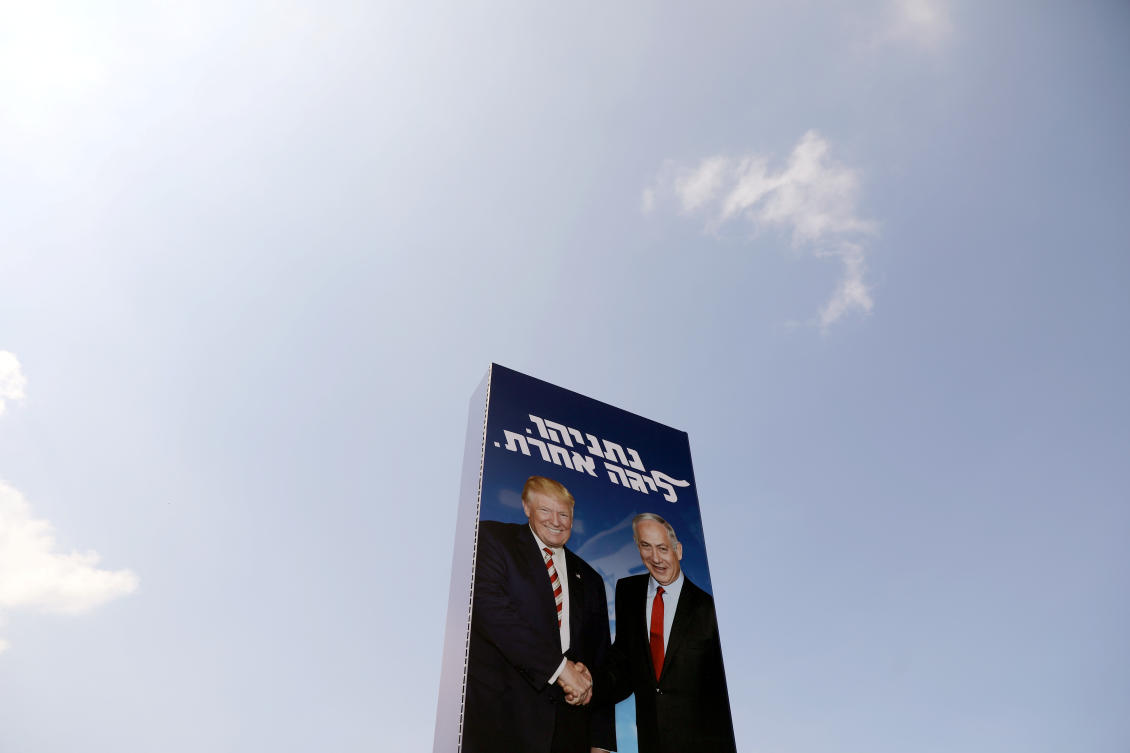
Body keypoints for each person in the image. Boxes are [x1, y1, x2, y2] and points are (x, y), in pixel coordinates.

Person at [463, 476, 616, 753]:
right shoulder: (492, 539)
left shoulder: (591, 578)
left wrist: (601, 742)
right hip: (500, 727)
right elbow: (490, 611)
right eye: (545, 510)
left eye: (564, 514)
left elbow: (600, 658)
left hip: (570, 733)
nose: (556, 521)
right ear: (526, 507)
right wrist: (560, 669)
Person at [606, 513, 736, 753]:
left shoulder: (710, 610)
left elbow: (726, 696)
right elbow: (624, 665)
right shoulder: (627, 592)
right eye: (646, 546)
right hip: (650, 742)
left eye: (663, 548)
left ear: (679, 550)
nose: (655, 558)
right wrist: (589, 683)